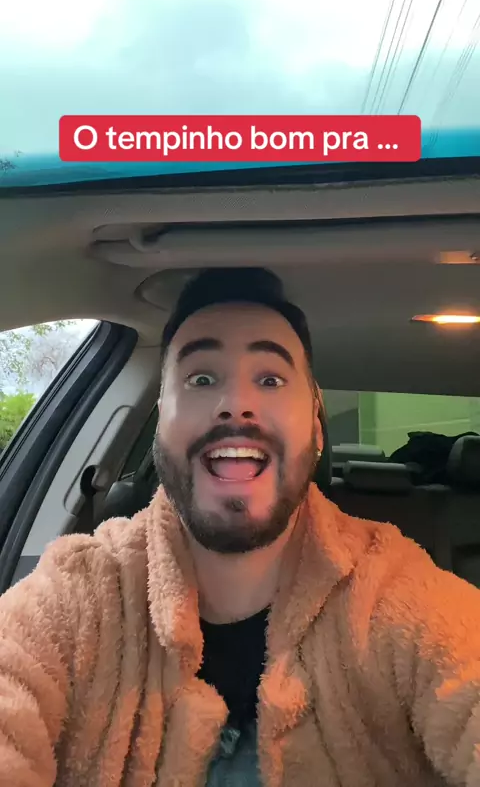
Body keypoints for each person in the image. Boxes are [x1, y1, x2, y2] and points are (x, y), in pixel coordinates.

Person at [0, 267, 480, 787]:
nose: (235, 405)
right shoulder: (81, 593)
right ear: (161, 421)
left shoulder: (396, 594)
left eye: (270, 380)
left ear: (316, 425)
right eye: (201, 379)